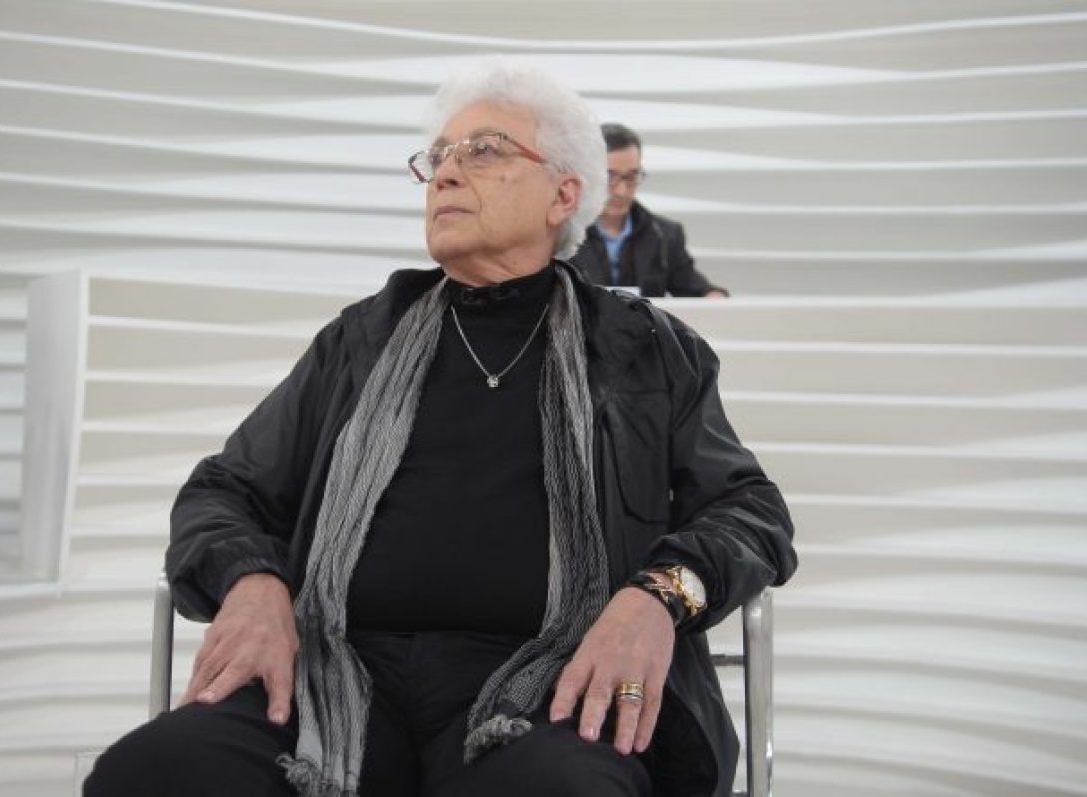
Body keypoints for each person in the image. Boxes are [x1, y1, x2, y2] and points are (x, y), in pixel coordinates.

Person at [85, 60, 795, 797]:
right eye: (438, 156)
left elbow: (751, 510)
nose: (445, 174)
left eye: (483, 150)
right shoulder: (361, 340)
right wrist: (251, 579)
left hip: (549, 694)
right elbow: (223, 490)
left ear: (563, 194)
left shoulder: (643, 349)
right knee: (149, 775)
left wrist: (657, 596)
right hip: (334, 683)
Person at [572, 123, 727, 298]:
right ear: (590, 175)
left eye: (631, 177)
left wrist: (712, 296)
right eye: (610, 177)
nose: (622, 191)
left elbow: (695, 288)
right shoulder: (563, 231)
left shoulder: (665, 234)